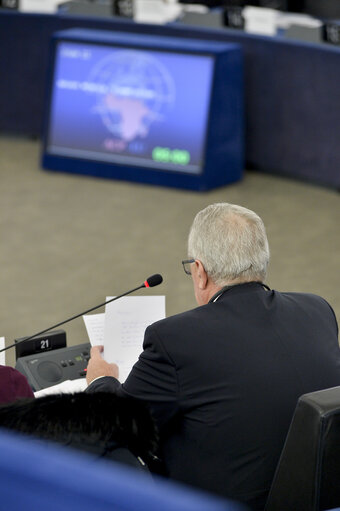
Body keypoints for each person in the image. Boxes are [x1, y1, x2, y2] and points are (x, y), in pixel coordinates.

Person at [86, 202, 340, 510]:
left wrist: (102, 379)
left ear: (199, 271)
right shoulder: (318, 311)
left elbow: (119, 424)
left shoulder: (176, 339)